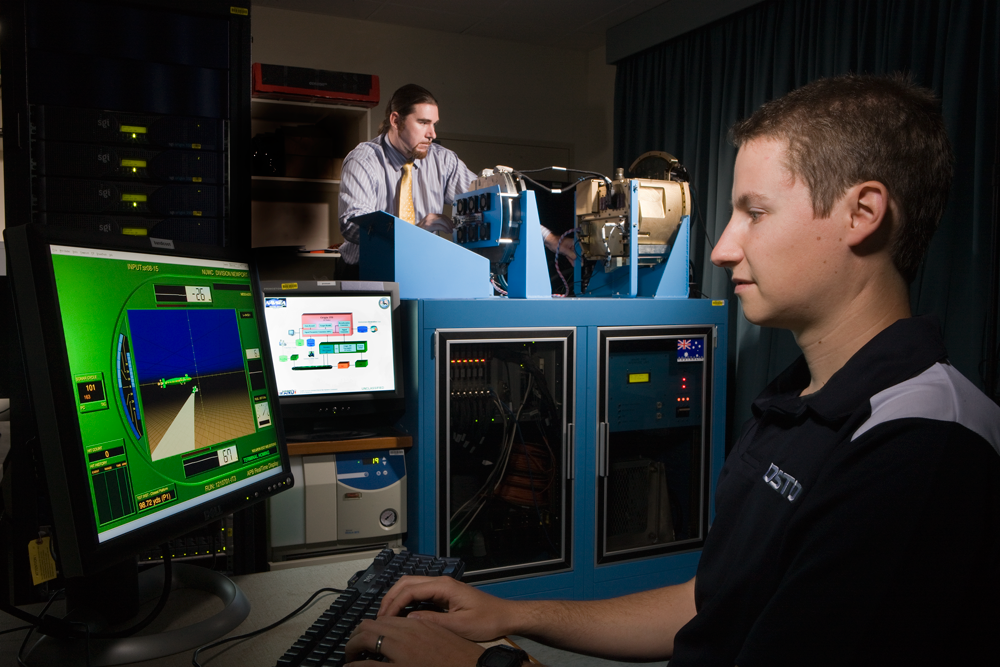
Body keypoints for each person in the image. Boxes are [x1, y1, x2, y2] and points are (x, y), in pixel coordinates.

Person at [343, 74, 1000, 666]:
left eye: (756, 212)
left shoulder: (924, 445)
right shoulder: (796, 403)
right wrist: (513, 613)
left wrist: (481, 666)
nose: (720, 247)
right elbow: (708, 602)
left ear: (863, 214)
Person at [338, 84, 574, 276]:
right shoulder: (364, 160)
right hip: (365, 273)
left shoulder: (443, 161)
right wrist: (414, 231)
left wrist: (551, 239)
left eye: (434, 124)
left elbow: (497, 205)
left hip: (420, 271)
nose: (432, 134)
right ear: (395, 120)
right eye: (423, 123)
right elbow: (351, 224)